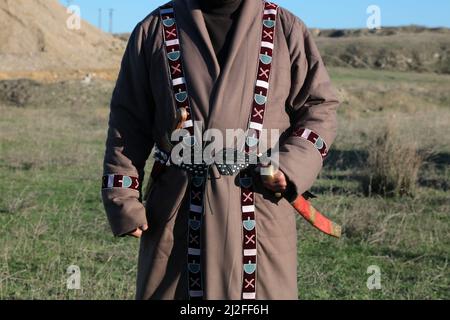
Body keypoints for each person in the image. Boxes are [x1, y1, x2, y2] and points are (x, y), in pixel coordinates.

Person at [102, 0, 339, 300]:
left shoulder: (285, 27)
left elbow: (319, 108)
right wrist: (122, 197)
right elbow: (128, 121)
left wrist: (290, 166)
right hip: (178, 210)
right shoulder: (154, 29)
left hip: (259, 205)